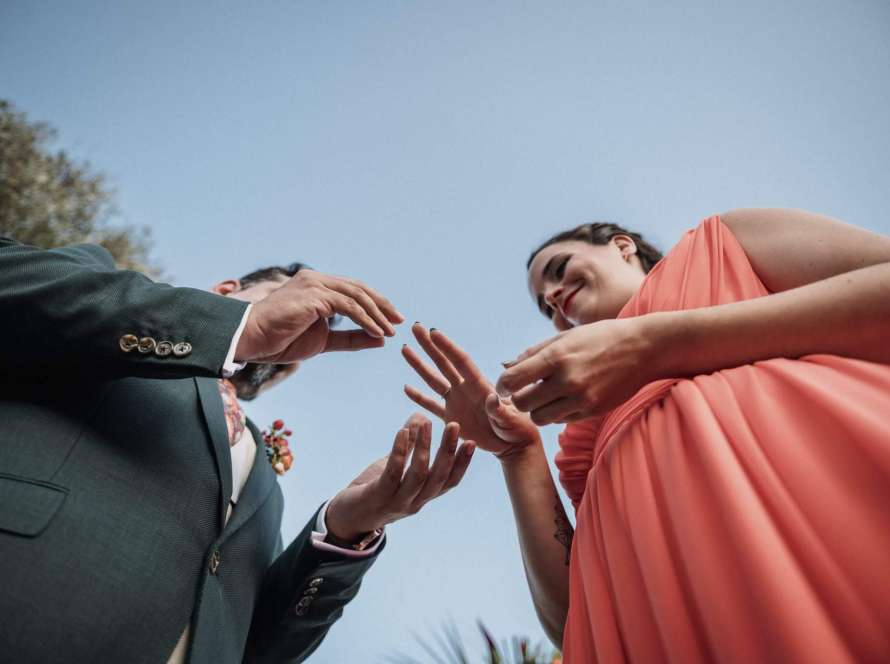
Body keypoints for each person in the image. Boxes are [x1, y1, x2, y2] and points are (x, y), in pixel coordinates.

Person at [402, 208, 890, 662]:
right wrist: (519, 454)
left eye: (559, 268)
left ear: (621, 246)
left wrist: (654, 344)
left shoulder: (723, 246)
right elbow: (580, 622)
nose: (551, 296)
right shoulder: (583, 440)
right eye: (543, 304)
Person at [0, 236, 475, 664]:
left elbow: (259, 646)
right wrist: (238, 327)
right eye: (295, 304)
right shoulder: (112, 313)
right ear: (227, 290)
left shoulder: (265, 486)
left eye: (314, 335)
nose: (300, 339)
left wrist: (348, 528)